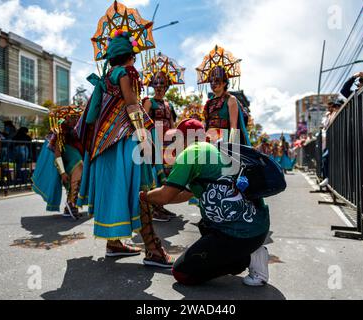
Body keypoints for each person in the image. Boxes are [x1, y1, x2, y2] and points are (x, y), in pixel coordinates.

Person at [76, 20, 174, 267]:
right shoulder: (128, 73)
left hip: (103, 144)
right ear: (131, 55)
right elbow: (132, 105)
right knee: (142, 189)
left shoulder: (108, 76)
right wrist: (143, 134)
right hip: (124, 140)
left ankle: (114, 243)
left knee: (115, 188)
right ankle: (152, 249)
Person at [141, 119, 271, 286]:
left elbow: (165, 196)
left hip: (241, 234)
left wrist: (142, 196)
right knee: (204, 224)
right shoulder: (215, 150)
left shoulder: (191, 153)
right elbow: (183, 195)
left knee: (182, 273)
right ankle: (244, 252)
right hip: (257, 227)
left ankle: (248, 257)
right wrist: (154, 197)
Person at [142, 52, 184, 222]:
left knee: (167, 175)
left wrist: (176, 142)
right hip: (153, 142)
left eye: (162, 84)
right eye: (156, 83)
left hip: (168, 144)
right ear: (152, 85)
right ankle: (153, 208)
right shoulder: (148, 102)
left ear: (167, 86)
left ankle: (160, 205)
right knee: (154, 175)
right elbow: (143, 123)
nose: (159, 87)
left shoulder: (169, 104)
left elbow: (173, 124)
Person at [32, 107, 84, 219]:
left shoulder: (80, 128)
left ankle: (70, 205)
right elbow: (57, 152)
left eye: (77, 117)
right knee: (79, 167)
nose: (75, 120)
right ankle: (71, 204)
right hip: (64, 157)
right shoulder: (60, 128)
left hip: (75, 156)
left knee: (78, 175)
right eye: (72, 117)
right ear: (66, 117)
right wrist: (62, 172)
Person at [197, 46, 250, 145]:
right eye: (211, 80)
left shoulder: (231, 100)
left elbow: (233, 126)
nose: (213, 83)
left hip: (224, 141)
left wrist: (231, 147)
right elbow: (206, 125)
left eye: (217, 80)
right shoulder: (209, 103)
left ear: (225, 83)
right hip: (208, 141)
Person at [319, 99, 343, 187]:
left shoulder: (338, 113)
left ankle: (329, 178)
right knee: (325, 158)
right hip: (331, 140)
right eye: (333, 107)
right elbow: (325, 126)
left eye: (336, 107)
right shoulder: (330, 115)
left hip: (336, 141)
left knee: (326, 158)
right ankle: (327, 178)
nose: (333, 108)